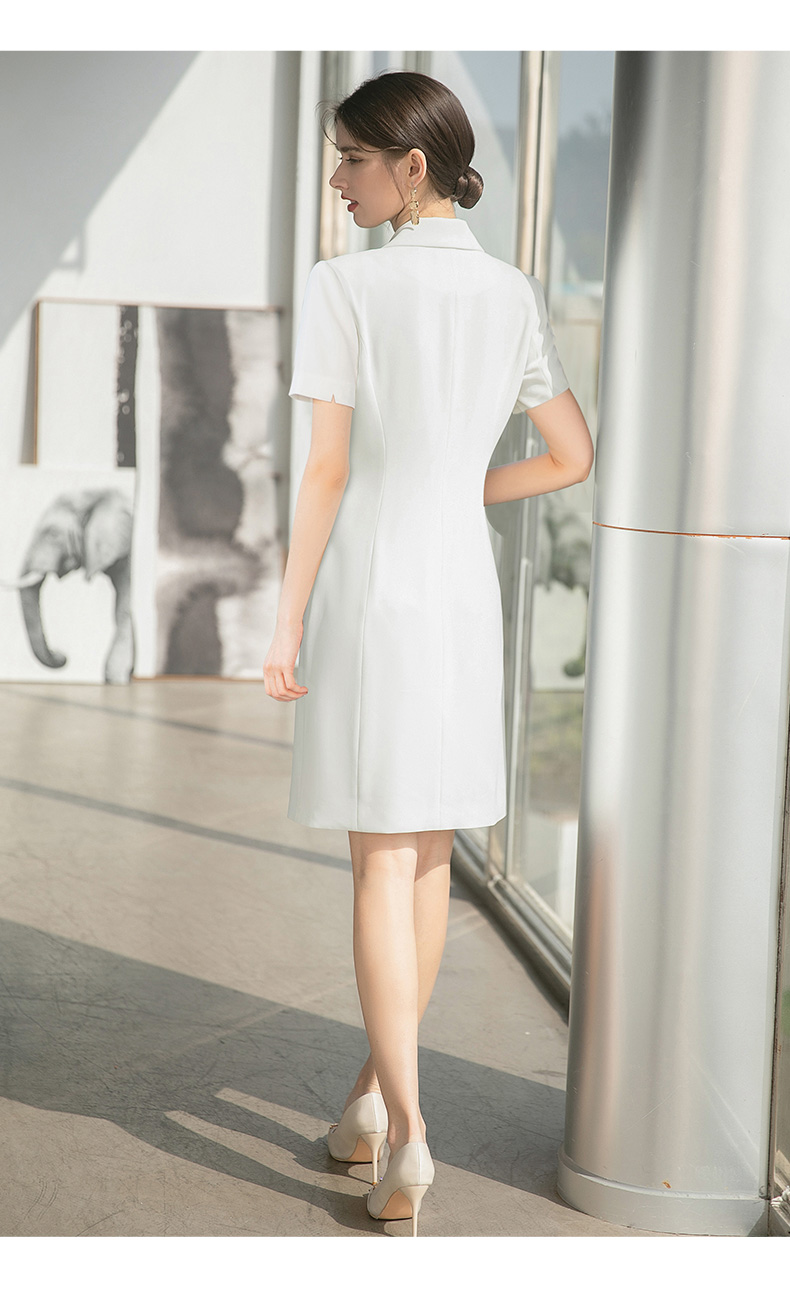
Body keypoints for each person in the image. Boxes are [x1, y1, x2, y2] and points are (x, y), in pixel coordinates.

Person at [263, 70, 594, 1236]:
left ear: (411, 167)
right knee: (429, 864)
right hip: (460, 592)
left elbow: (326, 471)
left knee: (377, 864)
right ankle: (369, 1100)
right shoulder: (512, 293)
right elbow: (571, 457)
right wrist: (466, 492)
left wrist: (287, 617)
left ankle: (409, 1133)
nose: (337, 180)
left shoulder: (346, 286)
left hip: (373, 590)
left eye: (352, 159)